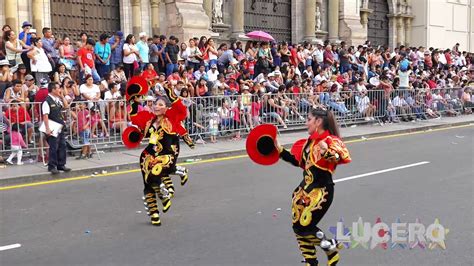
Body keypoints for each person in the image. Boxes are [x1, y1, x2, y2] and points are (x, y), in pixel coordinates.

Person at [276, 108, 351, 266]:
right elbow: (298, 162)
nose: (306, 122)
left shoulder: (330, 140)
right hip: (304, 192)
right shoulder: (309, 142)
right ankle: (311, 261)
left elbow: (338, 157)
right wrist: (279, 149)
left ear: (318, 122)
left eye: (308, 119)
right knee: (298, 227)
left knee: (305, 226)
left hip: (321, 192)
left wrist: (326, 152)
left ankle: (330, 248)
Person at [137, 84, 194, 226]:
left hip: (166, 155)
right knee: (147, 182)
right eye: (155, 104)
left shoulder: (171, 119)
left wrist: (170, 92)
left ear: (166, 107)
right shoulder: (150, 121)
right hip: (149, 155)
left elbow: (181, 111)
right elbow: (142, 135)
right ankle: (154, 214)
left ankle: (164, 192)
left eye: (160, 104)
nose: (156, 106)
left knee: (157, 171)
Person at [42, 82, 71, 174]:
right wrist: (47, 129)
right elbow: (45, 116)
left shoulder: (57, 100)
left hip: (60, 126)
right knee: (54, 147)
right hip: (52, 127)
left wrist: (62, 97)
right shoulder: (47, 101)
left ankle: (61, 164)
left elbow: (66, 107)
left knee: (62, 146)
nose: (60, 90)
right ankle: (52, 166)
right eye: (58, 88)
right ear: (53, 89)